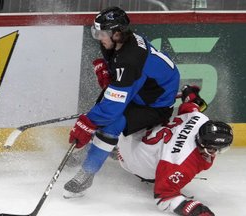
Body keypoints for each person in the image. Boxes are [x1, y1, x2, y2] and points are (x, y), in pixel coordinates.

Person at [64, 6, 181, 197]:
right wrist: (110, 73)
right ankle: (102, 147)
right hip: (140, 90)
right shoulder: (117, 42)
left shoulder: (131, 59)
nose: (99, 37)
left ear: (117, 33)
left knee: (111, 122)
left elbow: (112, 108)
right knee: (101, 108)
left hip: (154, 105)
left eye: (102, 33)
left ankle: (87, 173)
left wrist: (87, 123)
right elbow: (121, 77)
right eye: (97, 32)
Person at [116, 86, 232, 216]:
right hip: (131, 157)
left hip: (134, 130)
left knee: (159, 110)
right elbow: (163, 198)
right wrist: (194, 209)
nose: (216, 152)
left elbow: (190, 105)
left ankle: (104, 136)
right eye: (215, 149)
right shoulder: (180, 163)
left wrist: (190, 94)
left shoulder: (199, 119)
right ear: (205, 147)